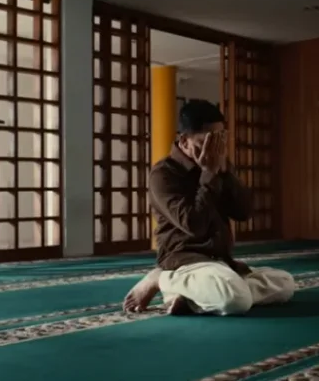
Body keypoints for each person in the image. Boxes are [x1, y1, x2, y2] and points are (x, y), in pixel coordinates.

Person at [123, 100, 295, 316]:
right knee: (237, 300)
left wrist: (225, 173)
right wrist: (209, 174)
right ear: (184, 141)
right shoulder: (163, 174)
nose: (212, 149)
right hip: (185, 261)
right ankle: (162, 279)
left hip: (220, 262)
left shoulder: (218, 164)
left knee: (285, 283)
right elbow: (194, 225)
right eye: (205, 142)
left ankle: (192, 297)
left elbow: (244, 212)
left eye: (219, 140)